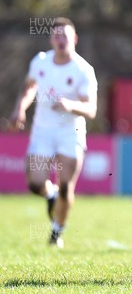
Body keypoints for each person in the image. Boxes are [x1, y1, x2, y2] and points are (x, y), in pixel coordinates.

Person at [10, 17, 98, 248]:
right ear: (51, 39)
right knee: (35, 183)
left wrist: (71, 105)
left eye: (65, 36)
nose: (60, 40)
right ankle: (50, 195)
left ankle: (57, 231)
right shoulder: (40, 62)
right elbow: (30, 86)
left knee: (67, 186)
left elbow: (91, 109)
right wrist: (20, 109)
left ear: (74, 39)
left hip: (71, 132)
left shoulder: (83, 70)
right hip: (43, 130)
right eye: (57, 36)